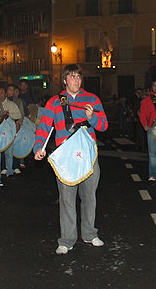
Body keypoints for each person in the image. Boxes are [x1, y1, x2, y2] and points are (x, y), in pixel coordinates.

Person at [34, 64, 108, 255]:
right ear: (64, 80)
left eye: (78, 77)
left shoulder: (92, 99)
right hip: (66, 158)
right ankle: (66, 240)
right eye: (71, 76)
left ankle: (90, 234)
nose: (76, 80)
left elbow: (104, 126)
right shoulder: (54, 102)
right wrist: (38, 147)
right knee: (66, 199)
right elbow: (44, 127)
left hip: (89, 157)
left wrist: (92, 117)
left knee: (89, 197)